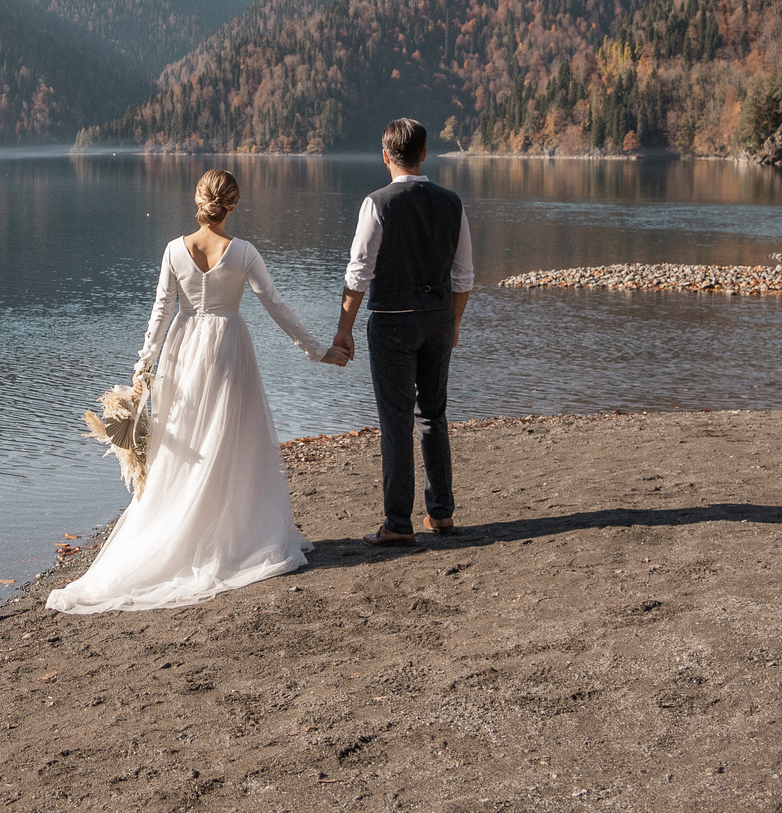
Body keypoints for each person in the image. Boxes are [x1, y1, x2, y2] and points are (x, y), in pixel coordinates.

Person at [48, 169, 338, 615]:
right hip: (227, 349)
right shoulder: (242, 252)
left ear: (198, 202)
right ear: (234, 205)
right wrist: (318, 351)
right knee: (228, 441)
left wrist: (143, 366)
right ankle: (228, 535)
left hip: (182, 352)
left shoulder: (173, 250)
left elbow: (161, 311)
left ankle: (183, 529)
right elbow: (276, 306)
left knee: (184, 444)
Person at [327, 118, 473, 546]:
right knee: (433, 415)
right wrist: (455, 323)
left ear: (386, 156)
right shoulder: (452, 202)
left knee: (395, 421)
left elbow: (359, 273)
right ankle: (441, 514)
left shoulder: (377, 203)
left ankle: (397, 523)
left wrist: (344, 329)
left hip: (392, 322)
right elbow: (464, 276)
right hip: (438, 319)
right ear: (425, 153)